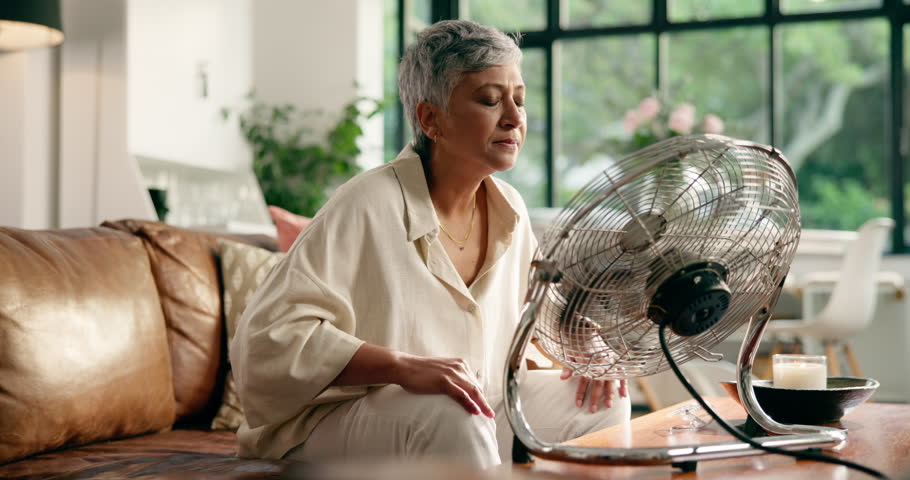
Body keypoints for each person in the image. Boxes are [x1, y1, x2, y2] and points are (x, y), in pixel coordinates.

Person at [230, 19, 630, 468]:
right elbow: (266, 341)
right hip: (336, 424)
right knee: (453, 412)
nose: (515, 118)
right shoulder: (366, 204)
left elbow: (541, 312)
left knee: (600, 397)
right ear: (430, 119)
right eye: (490, 100)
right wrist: (401, 366)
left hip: (468, 407)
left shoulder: (510, 210)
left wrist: (587, 345)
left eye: (518, 99)